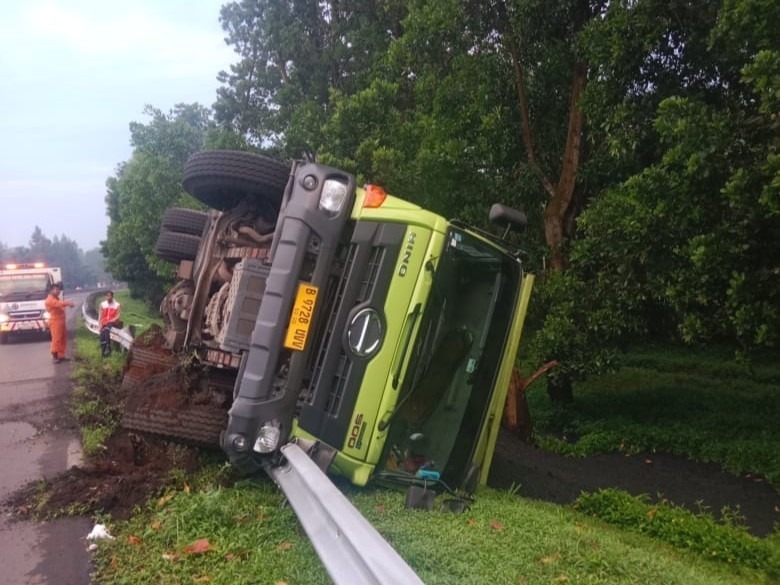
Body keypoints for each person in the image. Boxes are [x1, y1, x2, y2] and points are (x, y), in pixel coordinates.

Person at [45, 283, 74, 363]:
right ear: (51, 290)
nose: (58, 291)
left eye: (59, 290)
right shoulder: (50, 299)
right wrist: (68, 303)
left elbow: (60, 304)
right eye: (56, 290)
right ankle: (55, 356)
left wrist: (67, 304)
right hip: (55, 321)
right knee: (56, 339)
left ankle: (61, 355)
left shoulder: (56, 298)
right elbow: (58, 304)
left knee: (62, 339)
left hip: (61, 321)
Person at [98, 290, 122, 357]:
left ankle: (108, 347)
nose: (108, 297)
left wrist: (112, 320)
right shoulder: (102, 304)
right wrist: (99, 325)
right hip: (104, 322)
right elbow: (100, 316)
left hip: (113, 322)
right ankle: (103, 354)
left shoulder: (117, 305)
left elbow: (118, 315)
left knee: (106, 329)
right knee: (102, 336)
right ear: (105, 297)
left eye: (109, 296)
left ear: (112, 296)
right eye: (107, 296)